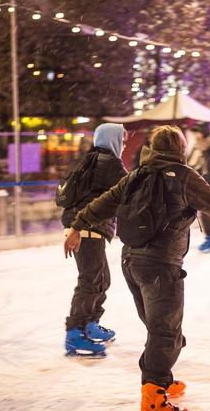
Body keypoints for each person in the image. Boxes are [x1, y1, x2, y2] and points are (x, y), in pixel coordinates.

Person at [64, 125, 210, 411]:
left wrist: (77, 225)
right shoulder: (184, 176)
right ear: (180, 149)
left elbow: (102, 204)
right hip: (161, 265)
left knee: (161, 329)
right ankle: (154, 396)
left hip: (131, 262)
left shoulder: (136, 176)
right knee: (165, 331)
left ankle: (161, 380)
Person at [61, 123, 128, 358]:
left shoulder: (87, 159)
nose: (125, 144)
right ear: (113, 140)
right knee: (91, 280)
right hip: (88, 228)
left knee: (101, 279)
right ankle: (75, 332)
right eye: (123, 139)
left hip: (82, 227)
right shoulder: (111, 163)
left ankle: (89, 323)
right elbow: (129, 192)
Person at [188, 122, 210, 252]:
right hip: (199, 183)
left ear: (204, 133)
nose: (195, 135)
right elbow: (190, 163)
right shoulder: (196, 148)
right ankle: (209, 238)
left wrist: (204, 179)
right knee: (203, 212)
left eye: (197, 132)